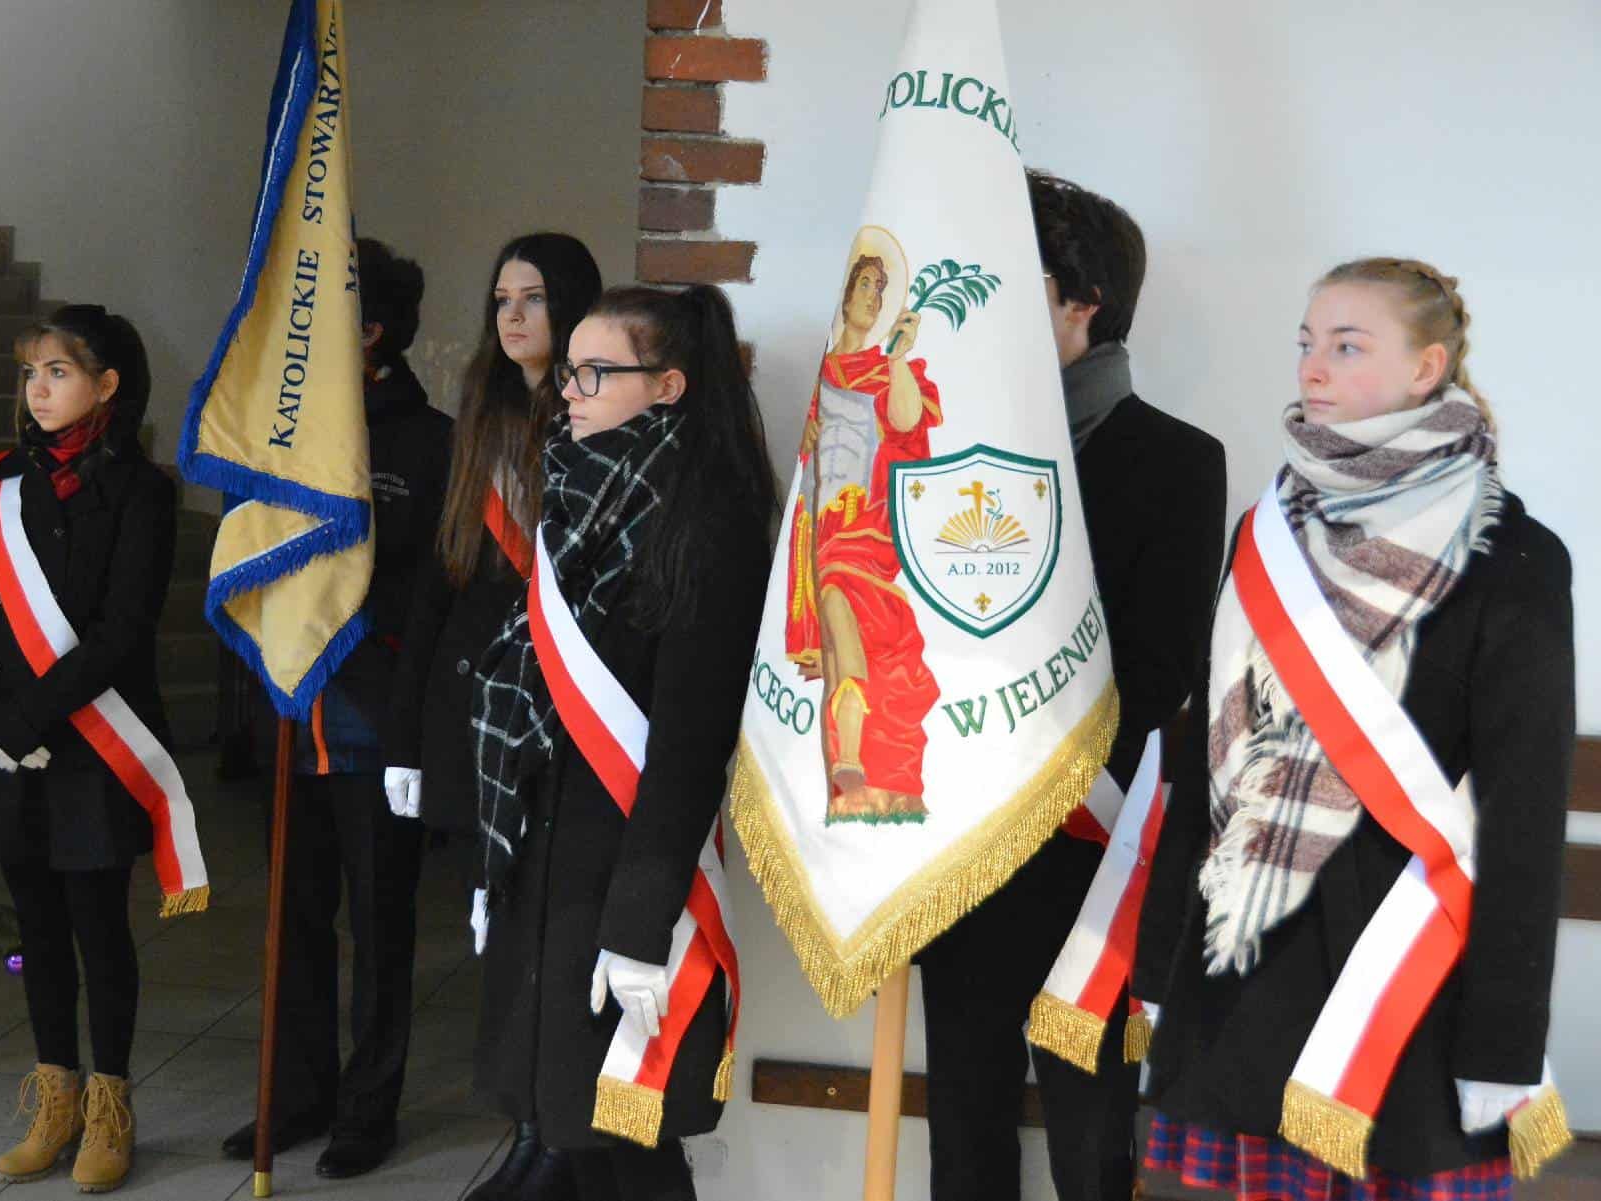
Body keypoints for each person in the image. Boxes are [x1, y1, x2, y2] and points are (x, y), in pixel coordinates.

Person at [1135, 258, 1574, 1197]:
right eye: (1307, 343)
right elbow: (1207, 764)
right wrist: (1159, 967)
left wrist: (1502, 1042)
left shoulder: (1516, 556)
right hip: (1252, 977)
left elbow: (1523, 818)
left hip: (1409, 997)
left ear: (1427, 367)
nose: (1313, 367)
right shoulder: (1264, 535)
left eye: (1347, 345)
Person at [913, 172, 1227, 1201]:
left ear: (1083, 302)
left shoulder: (1178, 460)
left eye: (1017, 280)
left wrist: (1025, 744)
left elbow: (1164, 668)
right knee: (963, 1135)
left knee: (1094, 1147)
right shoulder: (947, 453)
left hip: (1093, 846)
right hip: (964, 845)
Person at [467, 285, 776, 1201]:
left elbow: (690, 744)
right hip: (547, 866)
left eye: (596, 372)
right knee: (574, 1126)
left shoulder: (708, 523)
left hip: (625, 875)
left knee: (630, 1137)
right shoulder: (574, 490)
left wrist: (641, 921)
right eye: (571, 371)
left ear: (668, 385)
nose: (569, 390)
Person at [0, 304, 203, 1193]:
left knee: (98, 928)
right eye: (31, 373)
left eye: (57, 371)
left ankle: (109, 1105)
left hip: (95, 743)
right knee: (38, 929)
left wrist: (26, 721)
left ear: (107, 384)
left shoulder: (140, 490)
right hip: (7, 744)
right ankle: (54, 1099)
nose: (38, 389)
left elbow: (122, 630)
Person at [218, 239, 452, 1178]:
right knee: (293, 921)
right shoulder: (281, 434)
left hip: (374, 718)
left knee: (381, 924)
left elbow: (432, 587)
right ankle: (296, 1093)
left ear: (372, 331)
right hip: (290, 709)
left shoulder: (429, 441)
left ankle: (368, 1106)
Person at [383, 231, 601, 1200]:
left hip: (565, 713)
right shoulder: (481, 412)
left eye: (534, 297)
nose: (512, 315)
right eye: (502, 298)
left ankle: (561, 1137)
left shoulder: (597, 412)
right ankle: (526, 1128)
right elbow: (443, 577)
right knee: (503, 944)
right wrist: (407, 732)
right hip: (482, 710)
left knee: (556, 946)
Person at [786, 236, 941, 822]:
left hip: (862, 535)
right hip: (818, 532)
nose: (874, 298)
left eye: (881, 288)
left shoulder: (884, 372)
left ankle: (853, 765)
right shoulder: (813, 375)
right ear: (844, 292)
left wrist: (898, 359)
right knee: (833, 643)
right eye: (865, 285)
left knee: (845, 617)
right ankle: (844, 779)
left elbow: (905, 420)